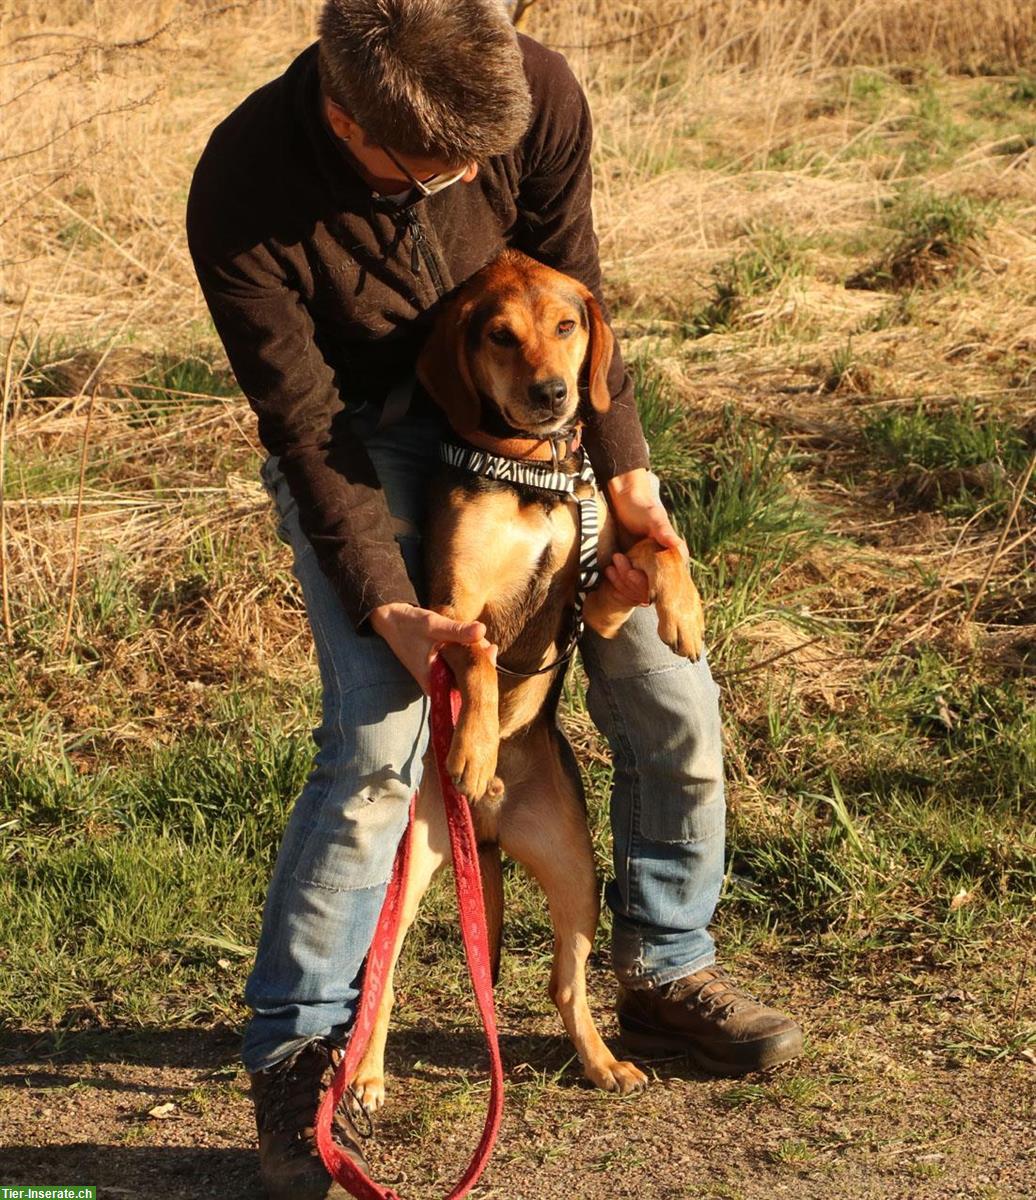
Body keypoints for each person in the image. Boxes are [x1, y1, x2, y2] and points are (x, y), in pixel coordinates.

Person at [187, 2, 802, 1196]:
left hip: (533, 421)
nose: (472, 186)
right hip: (366, 442)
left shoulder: (537, 93)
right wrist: (388, 606)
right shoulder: (246, 189)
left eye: (485, 160)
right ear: (347, 114)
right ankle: (301, 1052)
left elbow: (580, 295)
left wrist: (625, 477)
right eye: (442, 170)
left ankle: (666, 966)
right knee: (376, 735)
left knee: (672, 687)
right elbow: (306, 430)